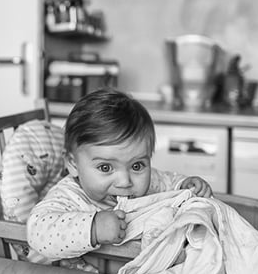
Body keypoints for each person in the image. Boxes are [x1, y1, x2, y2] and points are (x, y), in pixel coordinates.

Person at [27, 87, 211, 262]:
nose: (125, 182)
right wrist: (92, 228)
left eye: (137, 165)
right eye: (105, 168)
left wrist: (185, 185)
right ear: (73, 165)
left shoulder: (150, 182)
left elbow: (167, 181)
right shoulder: (69, 196)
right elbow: (37, 231)